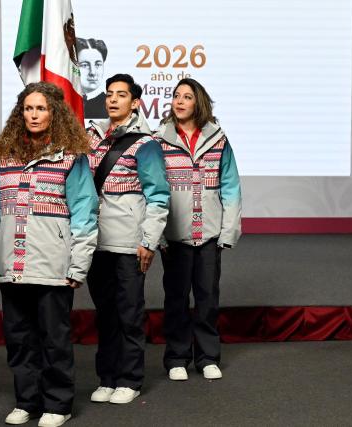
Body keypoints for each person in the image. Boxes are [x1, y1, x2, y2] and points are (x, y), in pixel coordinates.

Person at [0, 82, 98, 427]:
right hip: (12, 264)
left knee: (54, 338)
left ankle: (58, 404)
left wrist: (79, 265)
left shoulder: (71, 157)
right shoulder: (5, 156)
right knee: (19, 338)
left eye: (41, 108)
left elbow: (84, 212)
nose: (34, 115)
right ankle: (27, 401)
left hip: (53, 264)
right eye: (28, 109)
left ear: (55, 113)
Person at [86, 74, 170, 404]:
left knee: (129, 313)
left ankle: (131, 379)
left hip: (128, 243)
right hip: (94, 242)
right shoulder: (92, 138)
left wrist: (148, 241)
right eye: (109, 94)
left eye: (121, 95)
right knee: (104, 313)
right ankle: (107, 376)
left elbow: (159, 196)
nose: (113, 100)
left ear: (134, 102)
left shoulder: (145, 143)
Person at [154, 78, 241, 381]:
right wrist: (158, 235)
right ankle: (177, 357)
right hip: (174, 236)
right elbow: (153, 189)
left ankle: (207, 357)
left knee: (207, 298)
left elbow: (231, 188)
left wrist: (227, 232)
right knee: (176, 298)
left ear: (198, 103)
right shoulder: (159, 140)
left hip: (208, 235)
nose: (179, 101)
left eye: (186, 96)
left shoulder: (218, 139)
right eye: (176, 95)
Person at [76, 38, 108, 119]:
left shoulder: (110, 105)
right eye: (85, 65)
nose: (93, 72)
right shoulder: (62, 103)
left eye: (98, 64)